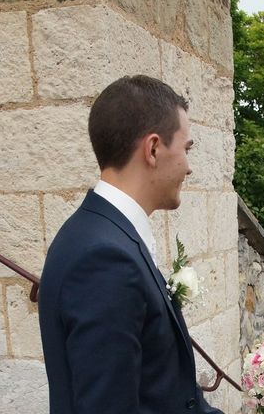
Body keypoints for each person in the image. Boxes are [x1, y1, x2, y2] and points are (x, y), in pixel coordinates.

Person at [38, 75, 223, 414]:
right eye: (186, 149)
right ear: (153, 149)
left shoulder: (101, 234)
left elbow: (158, 389)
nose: (189, 167)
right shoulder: (104, 258)